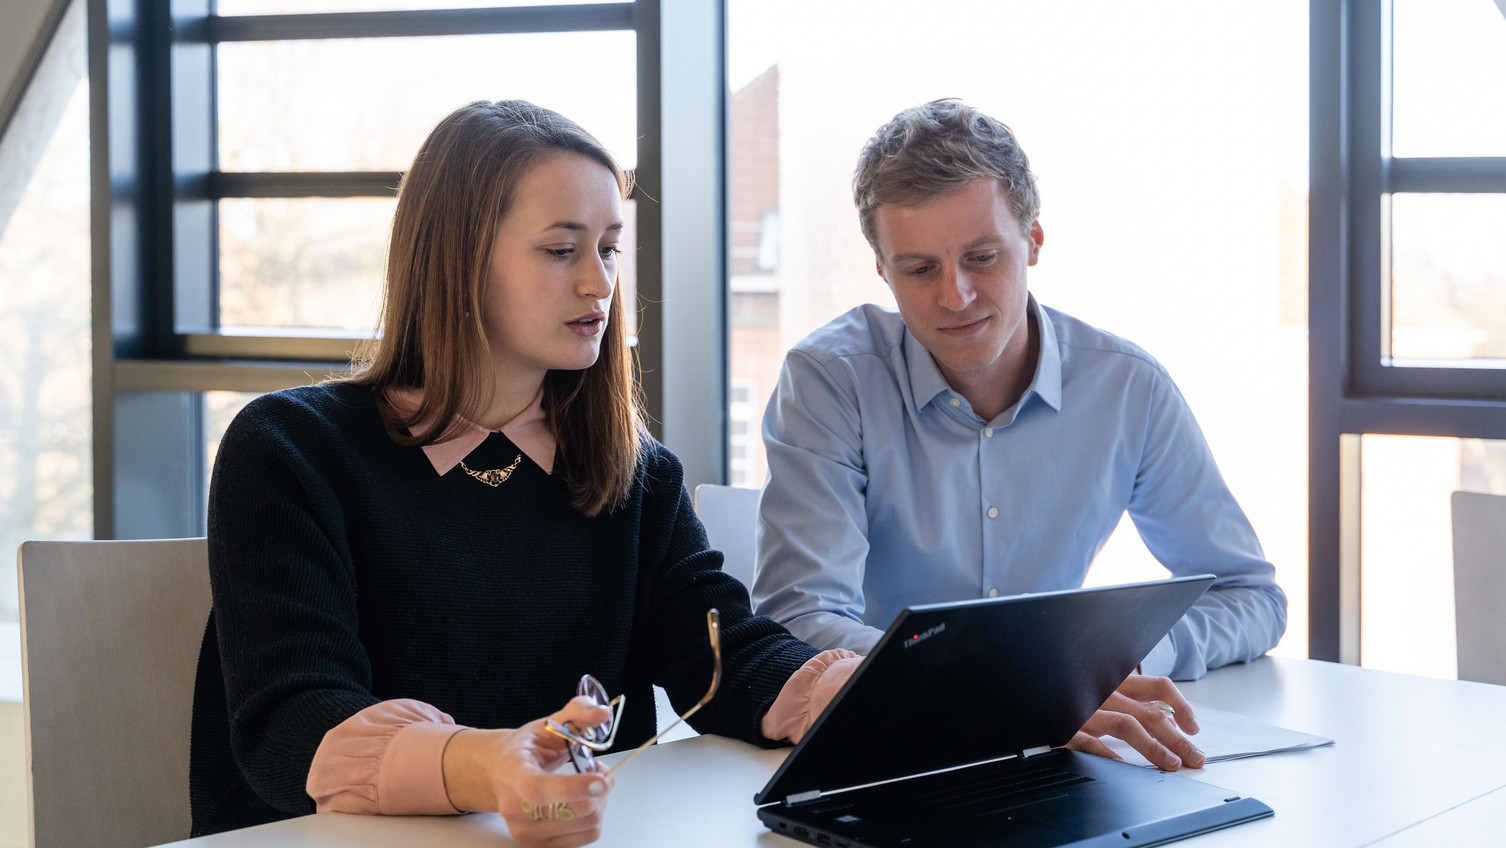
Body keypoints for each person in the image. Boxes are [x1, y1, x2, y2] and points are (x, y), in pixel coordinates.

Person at [188, 100, 856, 846]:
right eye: (561, 250)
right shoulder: (290, 450)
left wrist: (851, 690)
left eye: (609, 248)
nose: (600, 283)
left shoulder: (637, 475)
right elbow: (291, 721)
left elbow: (724, 656)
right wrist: (489, 765)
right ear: (459, 259)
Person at [753, 99, 1287, 754]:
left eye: (982, 257)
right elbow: (799, 621)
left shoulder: (1127, 387)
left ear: (1033, 241)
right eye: (919, 269)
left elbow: (1249, 595)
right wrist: (1015, 688)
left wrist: (1121, 661)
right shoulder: (830, 382)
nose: (955, 296)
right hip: (890, 747)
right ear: (883, 270)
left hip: (1061, 748)